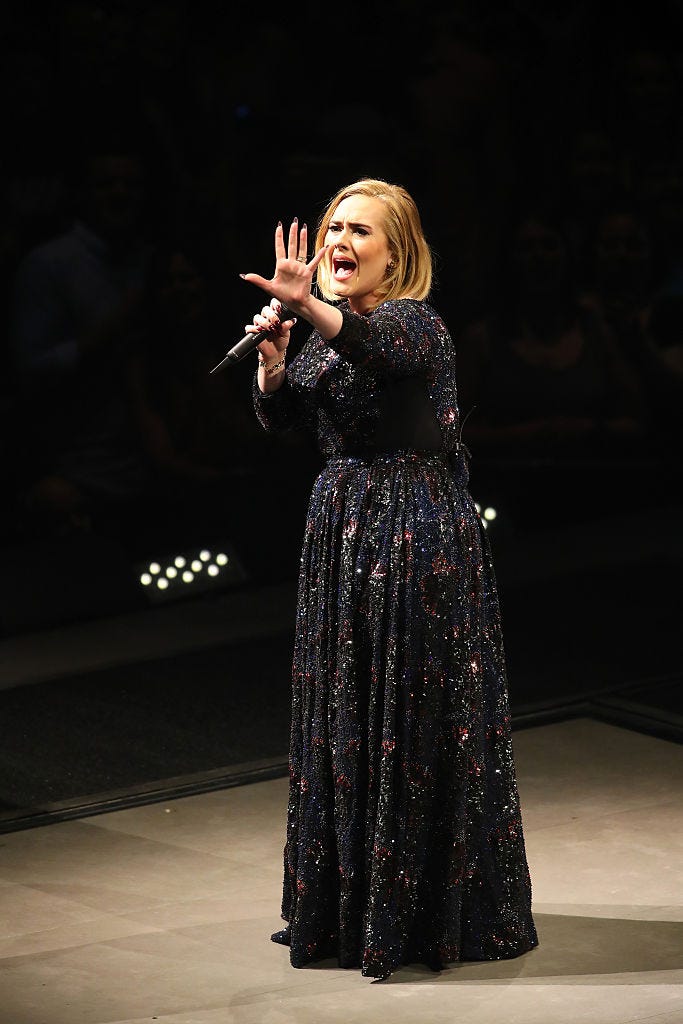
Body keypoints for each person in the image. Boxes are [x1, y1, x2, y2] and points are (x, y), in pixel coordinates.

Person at [241, 179, 538, 980]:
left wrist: (307, 312)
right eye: (331, 225)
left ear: (395, 254)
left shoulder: (413, 324)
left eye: (357, 231)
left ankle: (418, 911)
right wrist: (272, 369)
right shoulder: (333, 330)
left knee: (407, 708)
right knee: (346, 705)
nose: (337, 241)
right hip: (342, 529)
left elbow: (377, 354)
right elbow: (290, 418)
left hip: (413, 535)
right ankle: (348, 904)